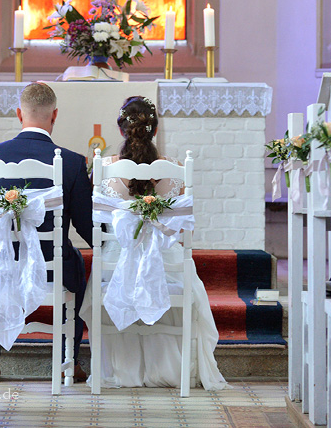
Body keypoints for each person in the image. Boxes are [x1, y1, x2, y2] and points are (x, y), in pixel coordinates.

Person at [79, 96, 227, 390]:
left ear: (122, 130)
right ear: (155, 129)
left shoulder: (103, 167)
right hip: (166, 259)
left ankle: (122, 370)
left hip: (116, 261)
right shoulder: (175, 169)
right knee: (183, 279)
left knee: (110, 279)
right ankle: (171, 369)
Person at [0, 82, 93, 382]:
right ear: (54, 116)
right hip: (51, 268)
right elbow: (85, 225)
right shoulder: (74, 162)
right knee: (76, 260)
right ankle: (70, 358)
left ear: (19, 114)